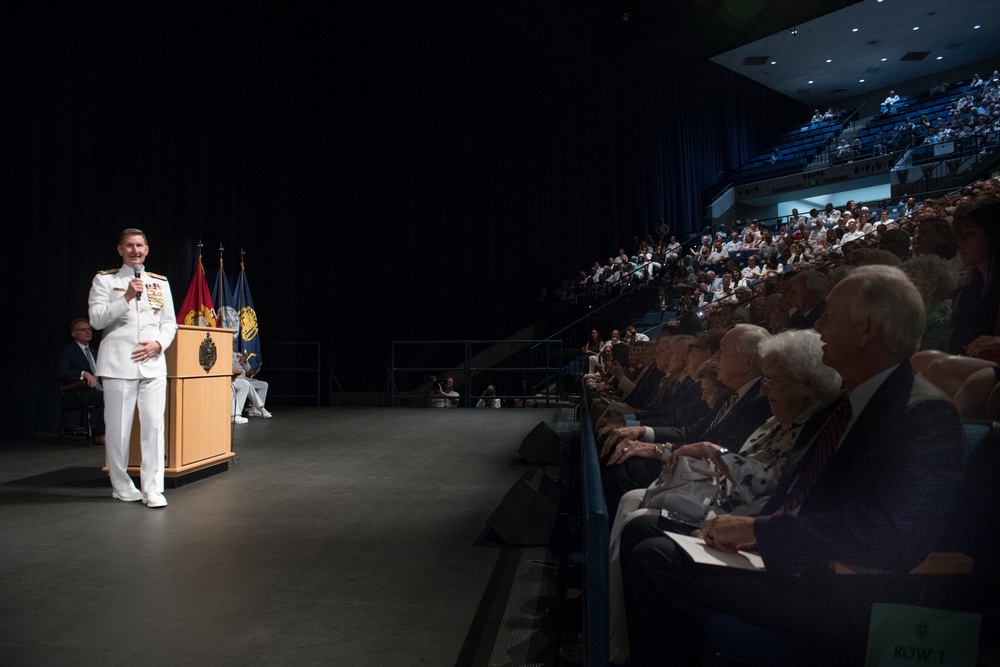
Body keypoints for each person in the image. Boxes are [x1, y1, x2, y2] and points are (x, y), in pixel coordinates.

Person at [620, 265, 964, 665]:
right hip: (789, 560)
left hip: (838, 593)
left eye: (830, 315)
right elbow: (792, 489)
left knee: (655, 560)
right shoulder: (839, 404)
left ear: (866, 330)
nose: (817, 323)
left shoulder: (923, 414)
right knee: (645, 527)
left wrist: (759, 532)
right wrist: (734, 528)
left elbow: (894, 536)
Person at [88, 228, 177, 509]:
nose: (135, 250)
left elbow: (169, 322)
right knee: (118, 430)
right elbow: (96, 320)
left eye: (140, 245)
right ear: (120, 249)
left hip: (152, 364)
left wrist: (159, 345)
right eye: (129, 246)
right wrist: (125, 296)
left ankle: (153, 488)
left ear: (147, 249)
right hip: (118, 365)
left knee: (153, 427)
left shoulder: (159, 283)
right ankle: (121, 485)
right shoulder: (106, 280)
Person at [54, 317, 106, 445]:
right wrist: (82, 374)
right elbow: (61, 372)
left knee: (119, 394)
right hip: (78, 391)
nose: (88, 332)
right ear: (74, 334)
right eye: (83, 330)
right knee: (106, 397)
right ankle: (99, 434)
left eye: (89, 329)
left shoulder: (95, 351)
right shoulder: (68, 350)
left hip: (99, 388)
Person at [232, 338, 272, 422]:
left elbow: (248, 369)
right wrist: (240, 362)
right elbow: (231, 369)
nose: (234, 344)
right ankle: (261, 408)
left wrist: (245, 361)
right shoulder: (225, 354)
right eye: (232, 342)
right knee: (246, 384)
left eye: (235, 342)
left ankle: (254, 409)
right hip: (234, 379)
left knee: (264, 384)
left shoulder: (237, 354)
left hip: (243, 378)